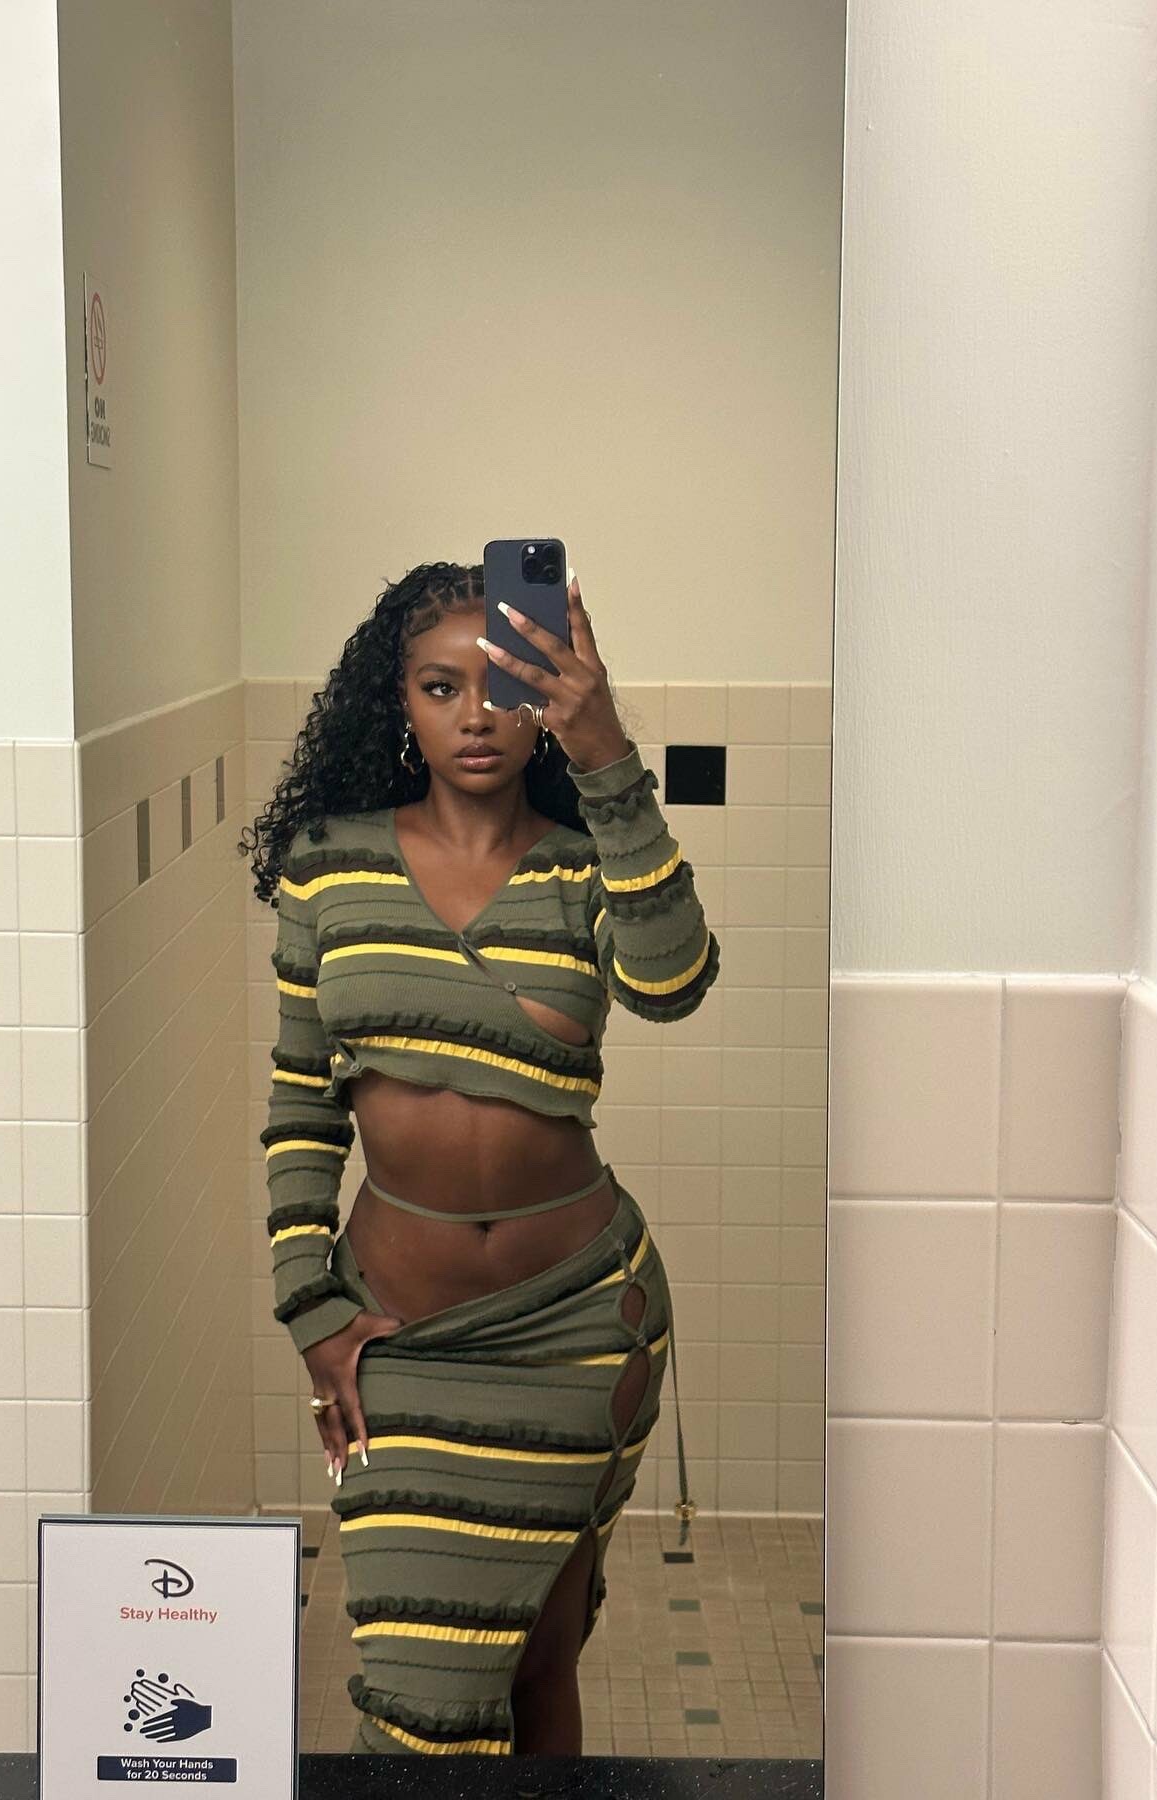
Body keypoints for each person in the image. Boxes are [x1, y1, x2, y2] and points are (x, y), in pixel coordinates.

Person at [238, 562, 720, 1756]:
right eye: (439, 686)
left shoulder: (583, 862)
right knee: (427, 1710)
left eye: (504, 688)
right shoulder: (326, 862)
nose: (475, 717)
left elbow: (672, 982)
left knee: (542, 1654)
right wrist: (313, 1310)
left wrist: (606, 750)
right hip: (402, 1335)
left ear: (544, 701)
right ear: (395, 702)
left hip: (582, 1323)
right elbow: (302, 1102)